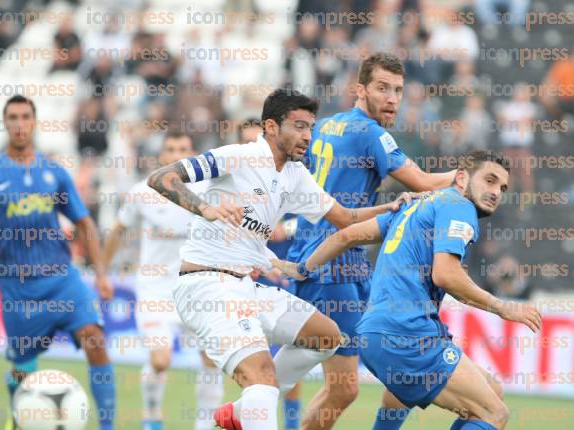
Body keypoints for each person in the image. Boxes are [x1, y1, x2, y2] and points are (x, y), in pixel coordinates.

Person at [146, 88, 416, 430]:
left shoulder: (295, 174)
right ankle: (255, 402)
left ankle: (244, 411)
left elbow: (346, 219)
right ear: (271, 127)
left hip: (245, 285)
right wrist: (205, 207)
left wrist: (391, 208)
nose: (308, 136)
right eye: (299, 126)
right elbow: (160, 178)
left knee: (327, 336)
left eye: (311, 127)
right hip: (207, 288)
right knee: (261, 378)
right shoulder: (238, 156)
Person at [273, 150, 542, 430]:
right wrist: (502, 306)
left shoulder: (416, 205)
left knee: (488, 390)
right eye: (489, 180)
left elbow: (347, 235)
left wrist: (303, 267)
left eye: (502, 187)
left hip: (375, 333)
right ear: (461, 178)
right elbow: (446, 274)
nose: (496, 192)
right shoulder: (459, 206)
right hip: (407, 334)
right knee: (493, 414)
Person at [285, 52, 456, 430]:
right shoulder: (371, 133)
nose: (392, 98)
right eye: (382, 88)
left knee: (394, 368)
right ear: (360, 89)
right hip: (332, 266)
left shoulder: (328, 125)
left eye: (398, 90)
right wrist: (469, 175)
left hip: (336, 259)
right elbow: (424, 182)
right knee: (344, 387)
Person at [0, 95, 116, 430]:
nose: (19, 123)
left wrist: (100, 275)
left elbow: (84, 223)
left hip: (62, 279)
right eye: (12, 117)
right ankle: (20, 419)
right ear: (6, 122)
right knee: (22, 370)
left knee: (95, 340)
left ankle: (108, 427)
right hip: (18, 287)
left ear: (35, 121)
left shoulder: (54, 174)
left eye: (26, 116)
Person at [102, 131, 223, 430]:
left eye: (183, 148)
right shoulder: (142, 192)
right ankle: (151, 417)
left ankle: (204, 424)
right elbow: (118, 230)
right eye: (171, 148)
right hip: (155, 291)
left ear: (192, 154)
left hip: (197, 291)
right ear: (162, 156)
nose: (177, 154)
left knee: (211, 359)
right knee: (160, 360)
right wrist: (102, 271)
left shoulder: (209, 191)